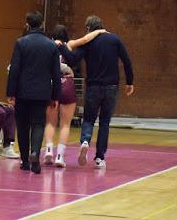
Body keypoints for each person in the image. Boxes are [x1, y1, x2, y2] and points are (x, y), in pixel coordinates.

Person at [56, 15, 134, 169]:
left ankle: (85, 140)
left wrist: (61, 46)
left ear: (88, 28)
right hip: (112, 87)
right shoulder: (115, 40)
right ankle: (99, 158)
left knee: (89, 119)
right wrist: (130, 82)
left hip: (93, 87)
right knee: (104, 122)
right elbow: (126, 61)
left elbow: (72, 59)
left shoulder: (88, 42)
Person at [44, 25, 109, 168]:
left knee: (50, 122)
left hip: (50, 84)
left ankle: (48, 151)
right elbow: (86, 39)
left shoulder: (47, 45)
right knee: (65, 124)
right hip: (67, 82)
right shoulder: (70, 44)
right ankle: (60, 156)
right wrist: (98, 31)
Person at [7, 11, 61, 174]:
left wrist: (11, 92)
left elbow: (14, 69)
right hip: (42, 92)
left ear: (27, 24)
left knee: (22, 125)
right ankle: (35, 154)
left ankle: (24, 161)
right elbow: (56, 73)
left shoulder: (21, 43)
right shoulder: (51, 45)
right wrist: (55, 95)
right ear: (42, 24)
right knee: (38, 124)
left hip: (22, 91)